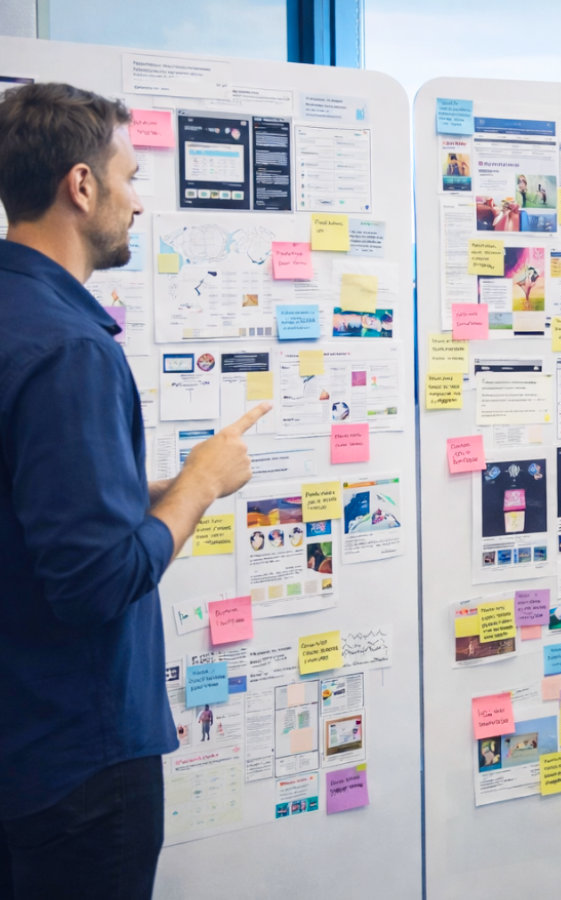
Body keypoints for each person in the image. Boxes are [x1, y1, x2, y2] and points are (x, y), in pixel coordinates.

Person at [0, 83, 270, 900]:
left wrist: (128, 489)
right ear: (80, 187)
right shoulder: (69, 348)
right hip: (79, 764)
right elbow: (92, 584)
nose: (138, 202)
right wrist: (197, 486)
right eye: (128, 177)